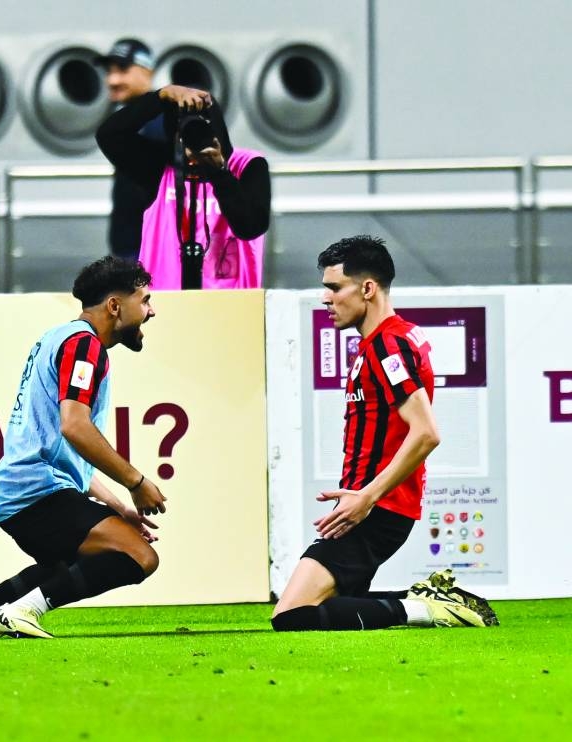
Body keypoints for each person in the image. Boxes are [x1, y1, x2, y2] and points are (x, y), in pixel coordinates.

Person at [0, 256, 166, 639]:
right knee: (140, 556)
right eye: (146, 299)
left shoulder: (58, 337)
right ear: (115, 306)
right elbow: (75, 427)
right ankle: (20, 612)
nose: (152, 311)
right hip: (36, 492)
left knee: (71, 563)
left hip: (25, 489)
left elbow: (58, 448)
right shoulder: (85, 347)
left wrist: (118, 505)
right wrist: (135, 483)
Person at [271, 235, 498, 631]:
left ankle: (426, 608)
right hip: (372, 505)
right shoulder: (388, 340)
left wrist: (367, 497)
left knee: (291, 616)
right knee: (338, 605)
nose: (326, 299)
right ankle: (429, 600)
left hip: (376, 509)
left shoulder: (387, 346)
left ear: (368, 288)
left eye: (334, 288)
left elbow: (426, 433)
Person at [96, 83, 271, 290]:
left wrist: (219, 172)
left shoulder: (247, 165)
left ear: (217, 133)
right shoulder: (159, 168)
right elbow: (109, 135)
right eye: (185, 140)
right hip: (165, 304)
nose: (192, 153)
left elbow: (250, 227)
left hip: (232, 303)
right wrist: (159, 97)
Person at [93, 38, 159, 261]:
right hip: (129, 249)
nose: (112, 79)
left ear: (147, 71)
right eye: (109, 71)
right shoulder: (132, 120)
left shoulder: (159, 122)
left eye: (122, 70)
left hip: (149, 251)